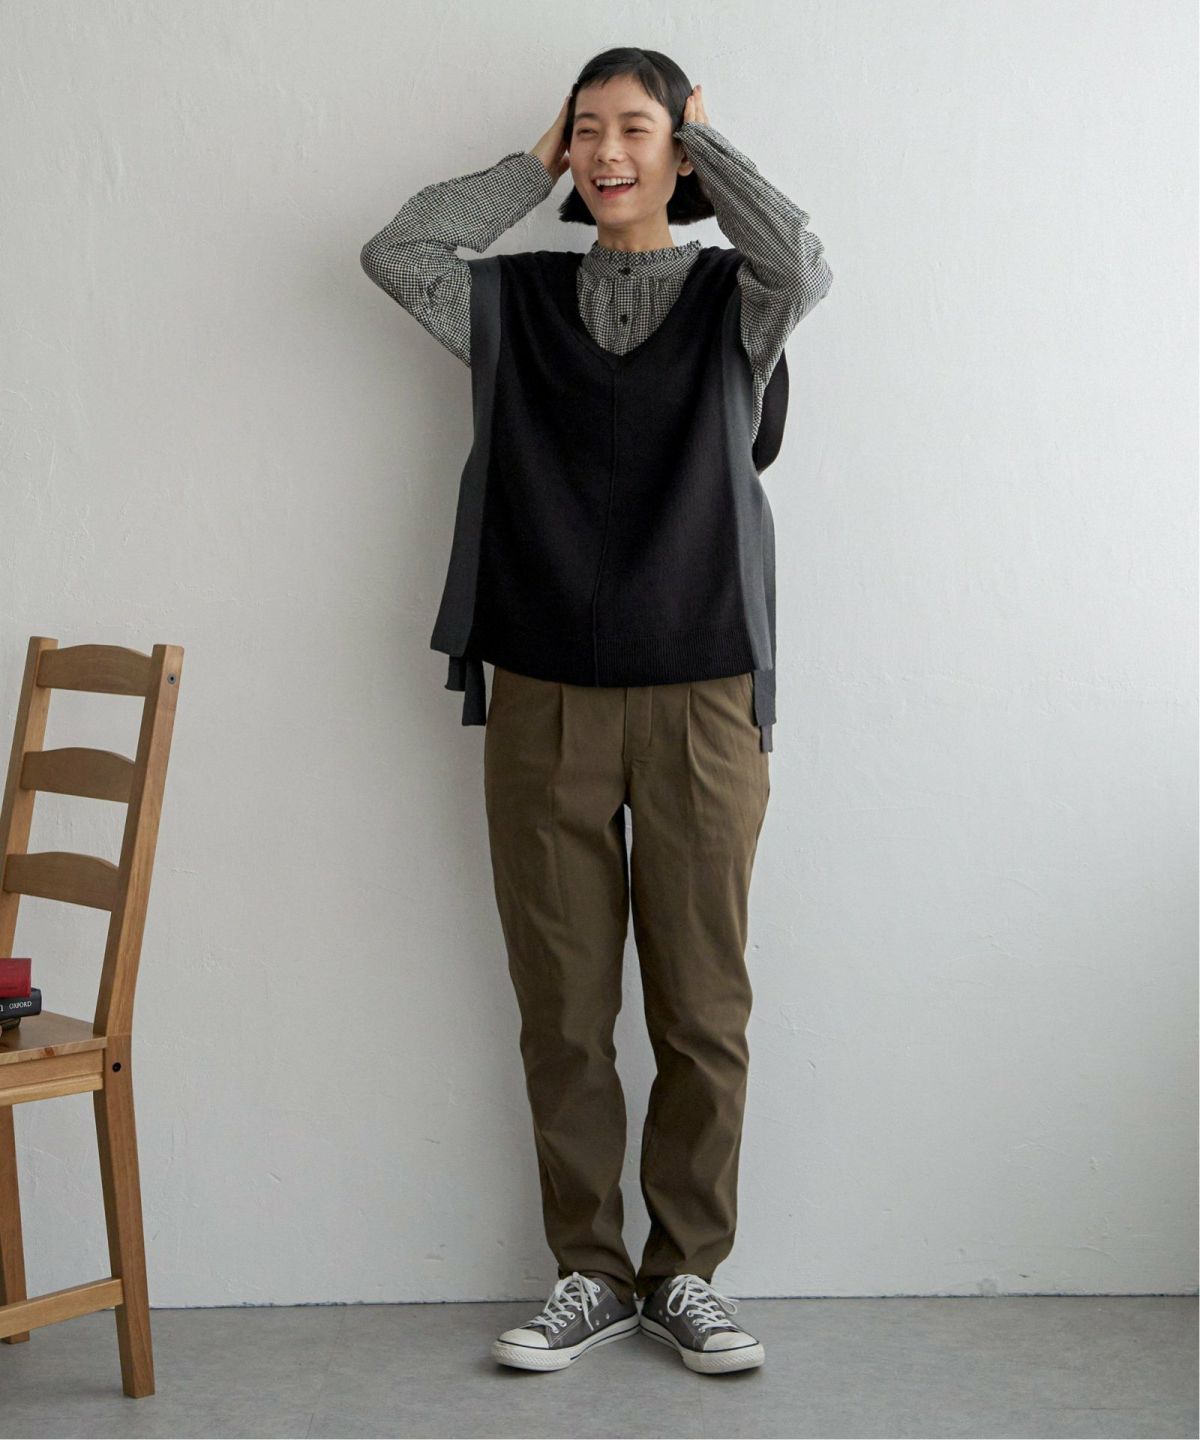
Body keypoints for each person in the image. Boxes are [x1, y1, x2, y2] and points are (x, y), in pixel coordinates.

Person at [360, 46, 832, 1375]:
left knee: (702, 1007)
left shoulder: (740, 300)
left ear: (681, 148)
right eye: (587, 129)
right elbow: (397, 250)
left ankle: (687, 1274)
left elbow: (802, 259)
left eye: (636, 128)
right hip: (543, 695)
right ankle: (590, 1272)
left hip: (704, 694)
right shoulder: (511, 301)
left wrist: (705, 140)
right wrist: (531, 164)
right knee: (562, 1009)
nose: (608, 151)